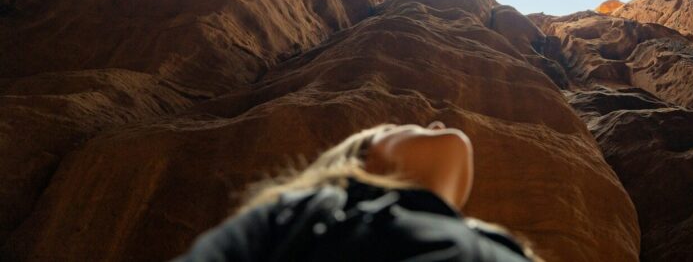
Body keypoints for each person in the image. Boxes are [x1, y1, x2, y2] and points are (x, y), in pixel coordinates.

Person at [173, 122, 539, 261]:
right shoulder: (304, 214)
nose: (436, 123)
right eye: (400, 126)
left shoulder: (501, 244)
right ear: (367, 161)